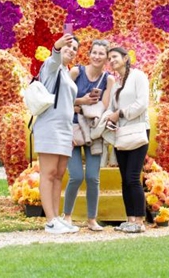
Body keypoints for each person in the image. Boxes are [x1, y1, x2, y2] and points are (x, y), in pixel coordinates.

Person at [63, 39, 116, 232]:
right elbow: (62, 99)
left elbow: (104, 106)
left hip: (94, 132)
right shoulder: (76, 72)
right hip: (74, 129)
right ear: (89, 54)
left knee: (93, 177)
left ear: (106, 58)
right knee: (76, 176)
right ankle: (66, 216)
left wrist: (80, 106)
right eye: (94, 52)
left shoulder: (108, 79)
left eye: (102, 53)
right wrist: (81, 101)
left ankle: (91, 219)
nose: (97, 56)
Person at [34, 33, 80, 234]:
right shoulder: (51, 67)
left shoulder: (66, 72)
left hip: (64, 128)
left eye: (75, 49)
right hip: (49, 127)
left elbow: (68, 104)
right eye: (68, 47)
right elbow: (53, 60)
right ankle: (50, 219)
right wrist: (56, 47)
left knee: (60, 174)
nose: (71, 51)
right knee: (49, 172)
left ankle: (57, 217)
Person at [104, 46, 150, 233]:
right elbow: (111, 108)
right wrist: (109, 118)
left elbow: (142, 104)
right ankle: (129, 219)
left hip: (138, 131)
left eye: (114, 57)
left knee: (133, 177)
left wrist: (120, 113)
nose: (112, 60)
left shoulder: (138, 77)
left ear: (125, 58)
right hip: (121, 135)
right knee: (124, 178)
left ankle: (139, 221)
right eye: (110, 58)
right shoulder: (116, 84)